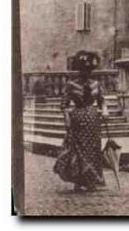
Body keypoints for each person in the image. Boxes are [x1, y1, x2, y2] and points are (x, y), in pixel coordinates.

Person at [53, 50, 108, 192]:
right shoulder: (71, 85)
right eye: (83, 70)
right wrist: (67, 120)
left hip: (93, 122)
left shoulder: (96, 84)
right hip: (77, 121)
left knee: (93, 151)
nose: (86, 73)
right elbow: (64, 104)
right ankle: (78, 180)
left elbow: (102, 101)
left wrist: (105, 110)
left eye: (88, 70)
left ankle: (91, 181)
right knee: (78, 151)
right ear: (79, 70)